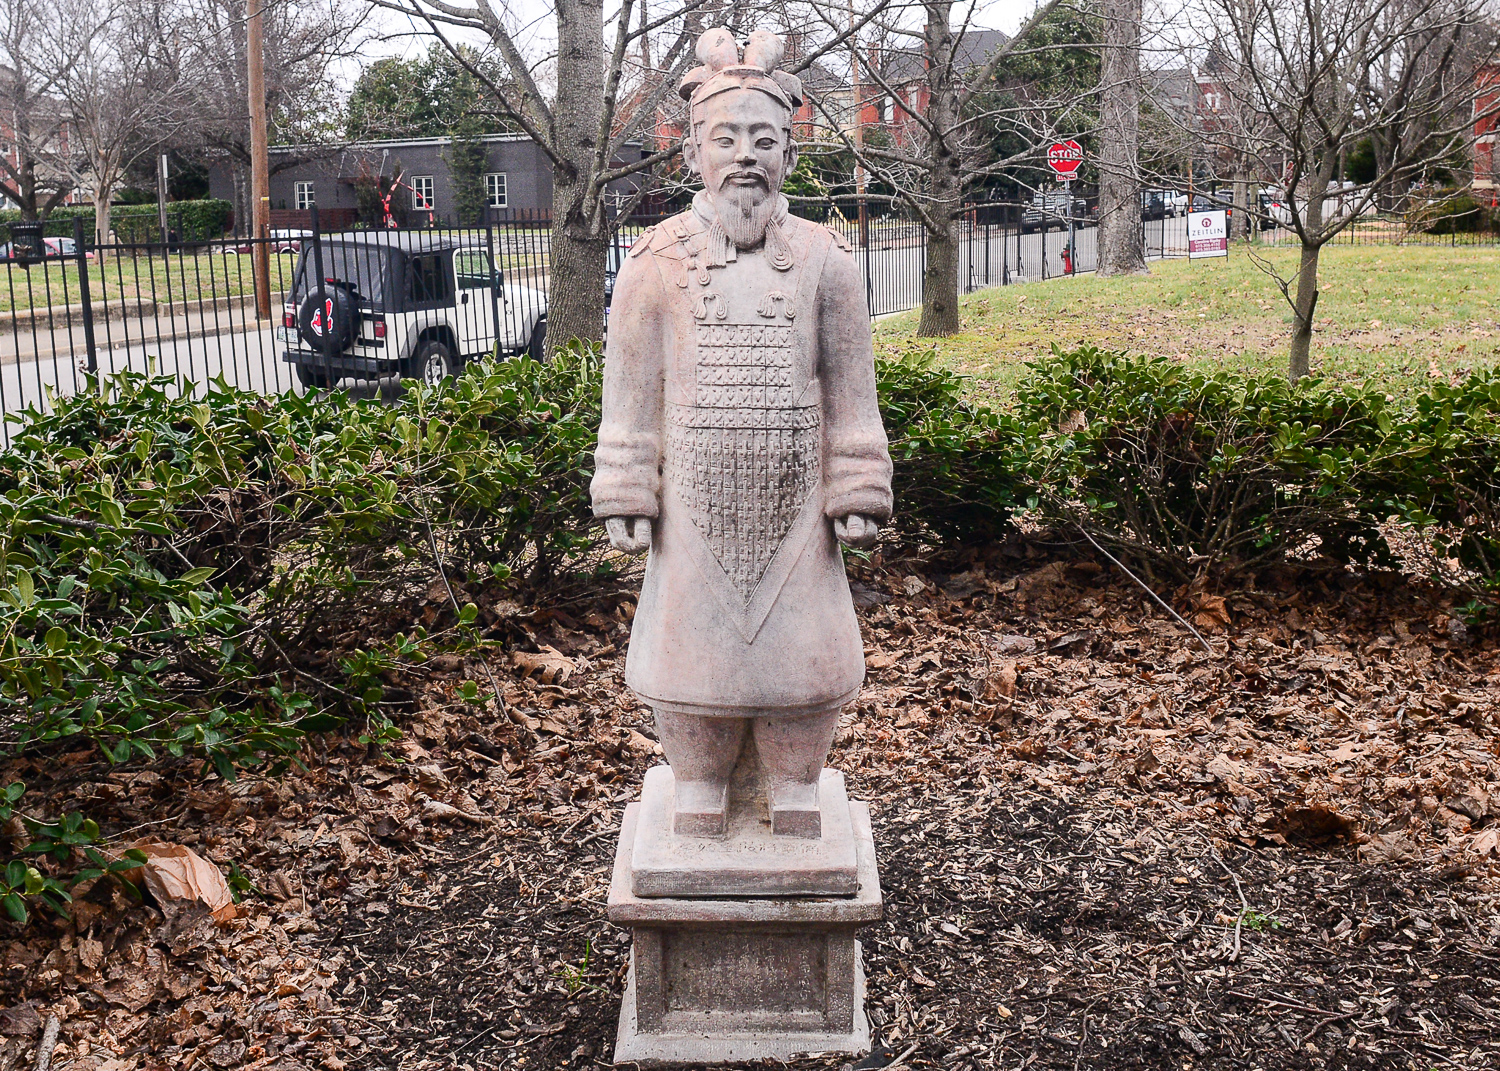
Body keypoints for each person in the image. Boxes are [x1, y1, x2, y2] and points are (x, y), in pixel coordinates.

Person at [591, 27, 892, 839]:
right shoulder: (654, 264)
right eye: (726, 139)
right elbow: (632, 393)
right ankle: (699, 782)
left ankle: (797, 781)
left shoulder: (829, 263)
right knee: (692, 664)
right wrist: (625, 479)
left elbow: (852, 399)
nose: (746, 156)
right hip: (693, 506)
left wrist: (858, 482)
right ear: (694, 153)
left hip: (797, 514)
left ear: (790, 153)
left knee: (805, 662)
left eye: (765, 139)